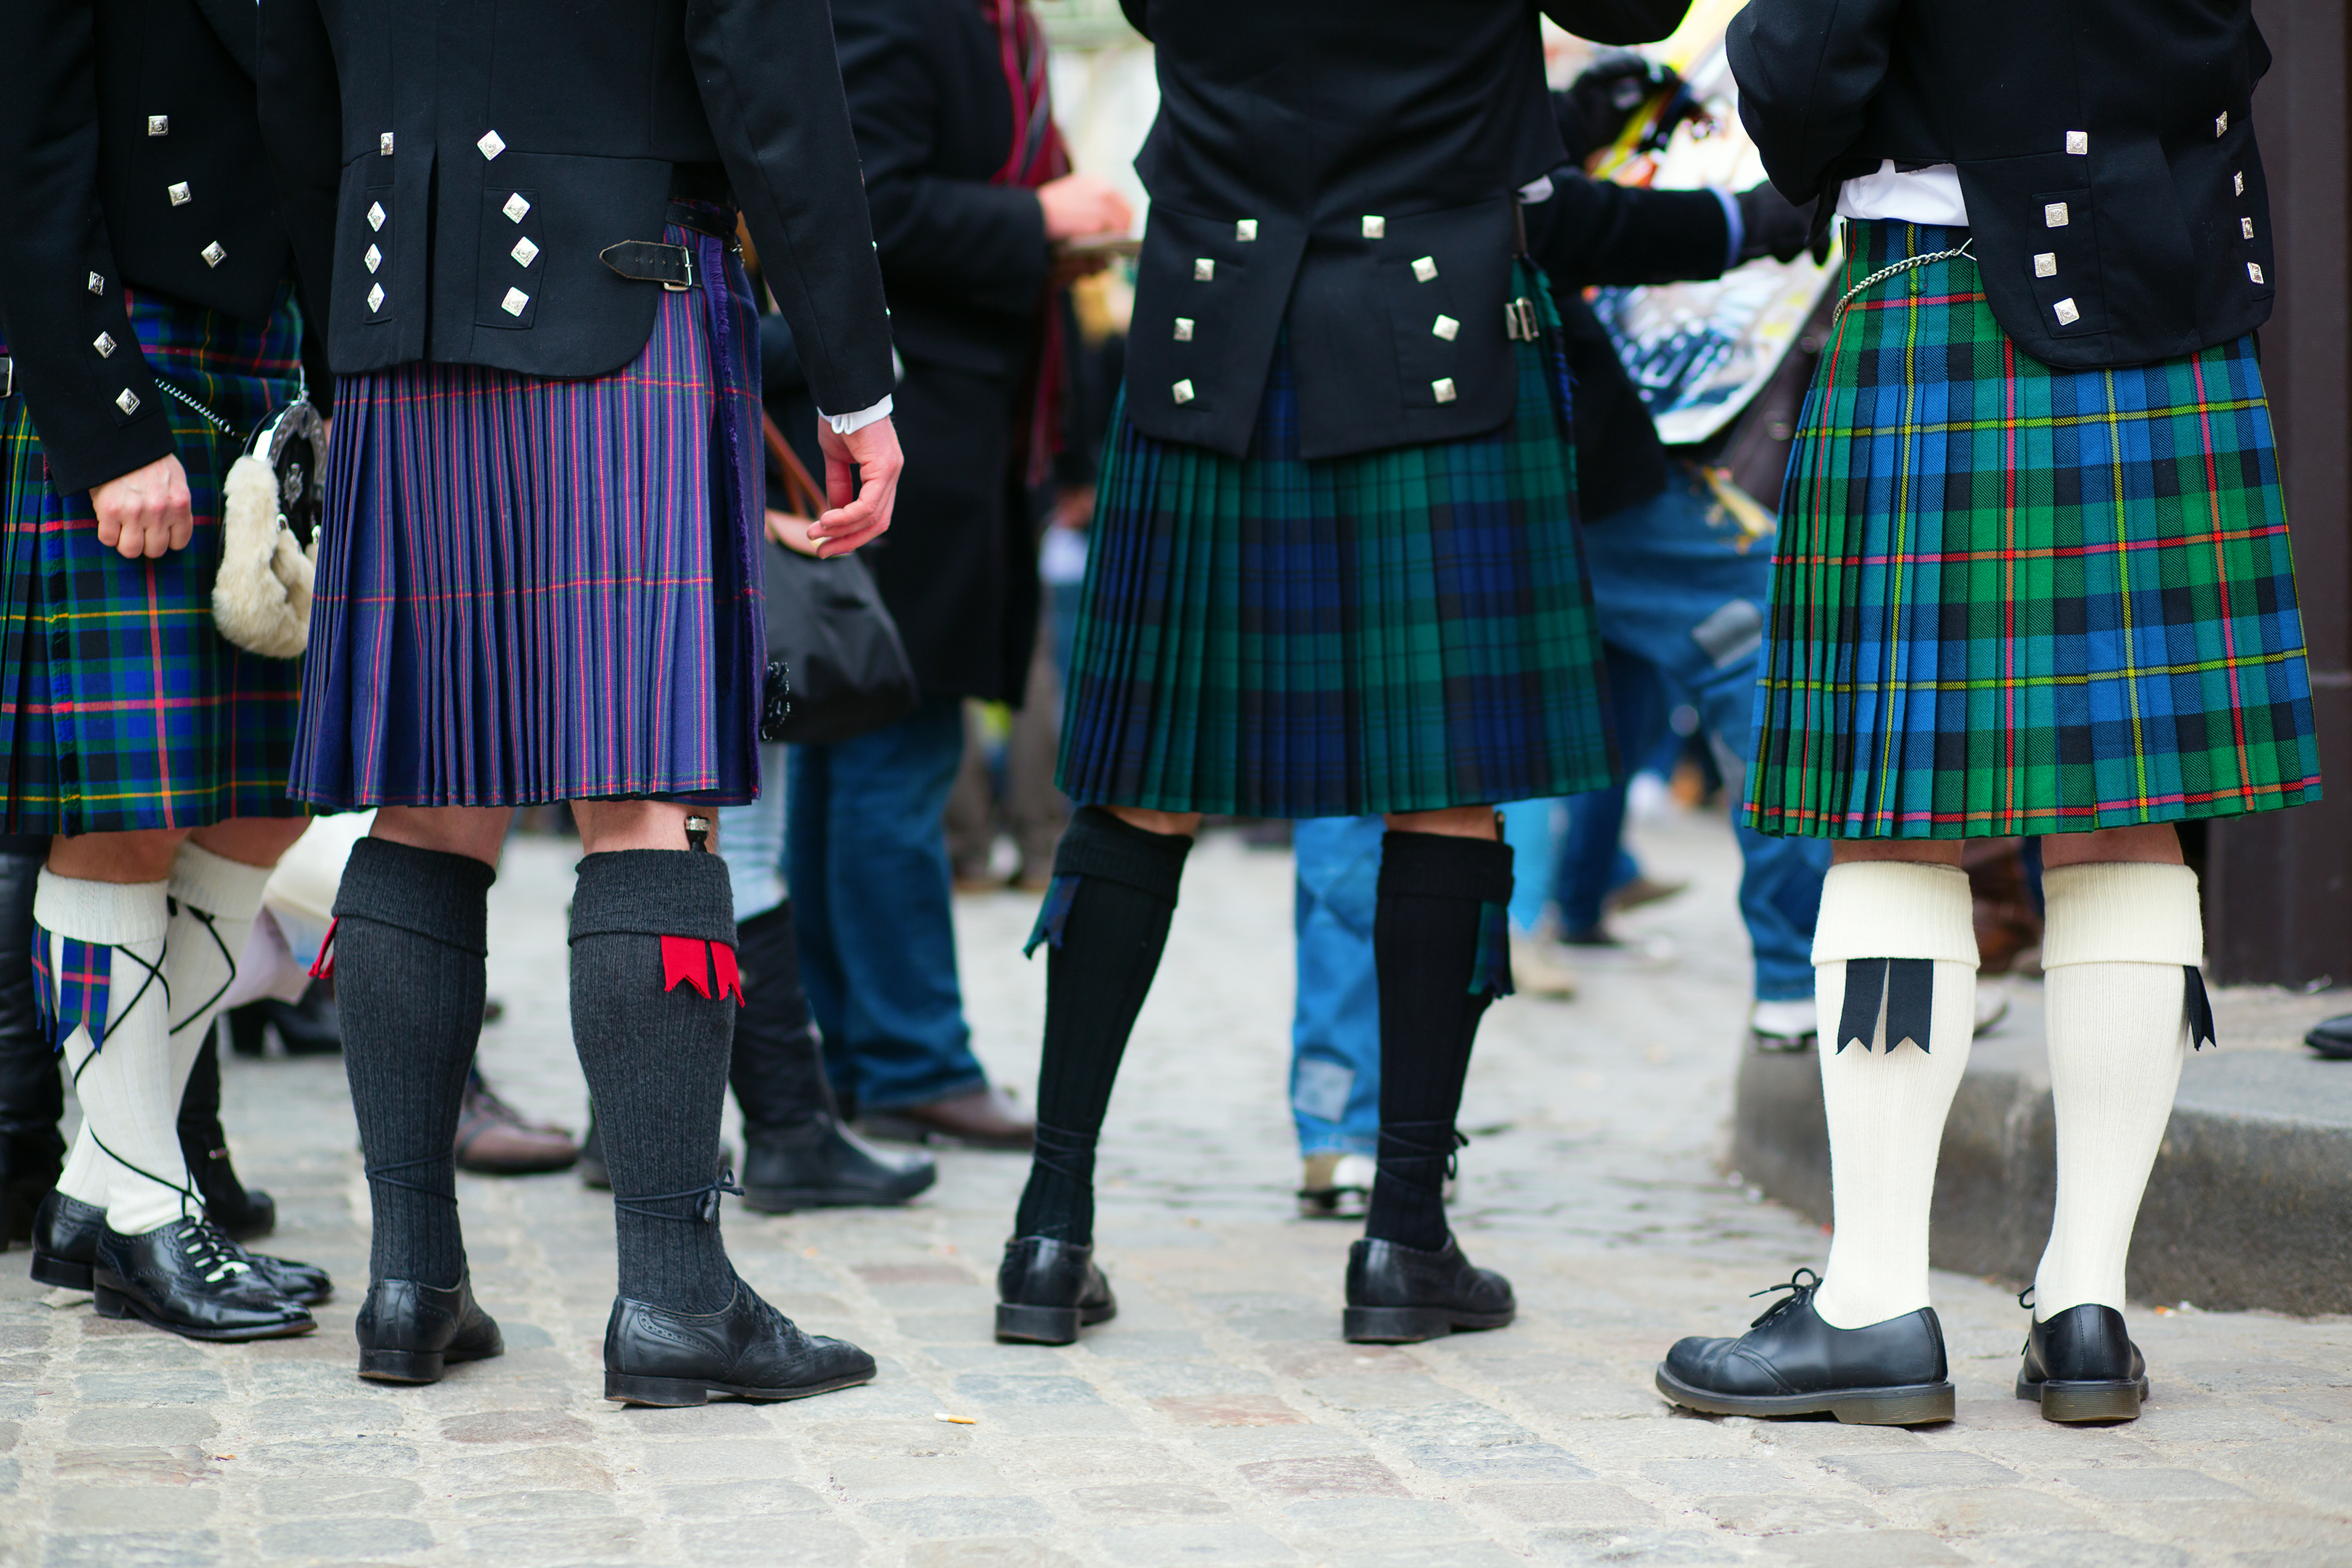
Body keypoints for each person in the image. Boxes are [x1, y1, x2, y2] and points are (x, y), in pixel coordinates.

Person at [1657, 0, 2318, 1427]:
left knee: (1896, 828)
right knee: (2127, 821)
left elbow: (1799, 68)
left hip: (1952, 291)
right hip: (2170, 293)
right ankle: (2088, 1308)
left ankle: (1878, 1300)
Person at [998, 0, 1691, 1350]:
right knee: (1445, 787)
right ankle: (1403, 1241)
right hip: (1436, 327)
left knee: (1142, 787)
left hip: (1213, 321)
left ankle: (1049, 1227)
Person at [256, 0, 906, 1405]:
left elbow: (288, 81)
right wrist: (856, 382)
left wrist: (342, 342)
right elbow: (770, 76)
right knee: (643, 799)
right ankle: (675, 1296)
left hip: (396, 320)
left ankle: (410, 1283)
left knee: (428, 808)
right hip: (626, 297)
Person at [0, 0, 336, 1341]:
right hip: (129, 357)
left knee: (270, 799)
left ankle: (95, 1190)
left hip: (269, 358)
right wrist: (104, 422)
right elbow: (24, 153)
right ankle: (144, 1205)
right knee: (125, 812)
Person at [782, 0, 1130, 1150]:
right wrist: (1034, 216)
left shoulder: (988, 13)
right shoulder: (901, 5)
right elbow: (862, 203)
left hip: (957, 422)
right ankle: (909, 1055)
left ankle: (858, 1051)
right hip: (907, 419)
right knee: (893, 743)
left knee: (868, 746)